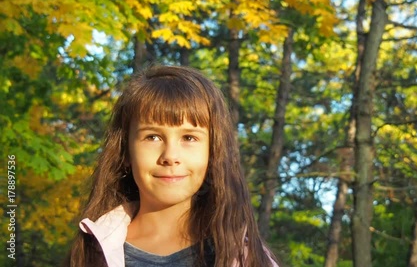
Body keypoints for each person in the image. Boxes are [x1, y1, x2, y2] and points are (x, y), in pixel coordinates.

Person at [66, 65, 279, 267]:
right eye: (152, 137)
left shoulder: (246, 258)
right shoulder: (90, 252)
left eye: (189, 137)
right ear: (126, 151)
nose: (170, 156)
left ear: (213, 152)